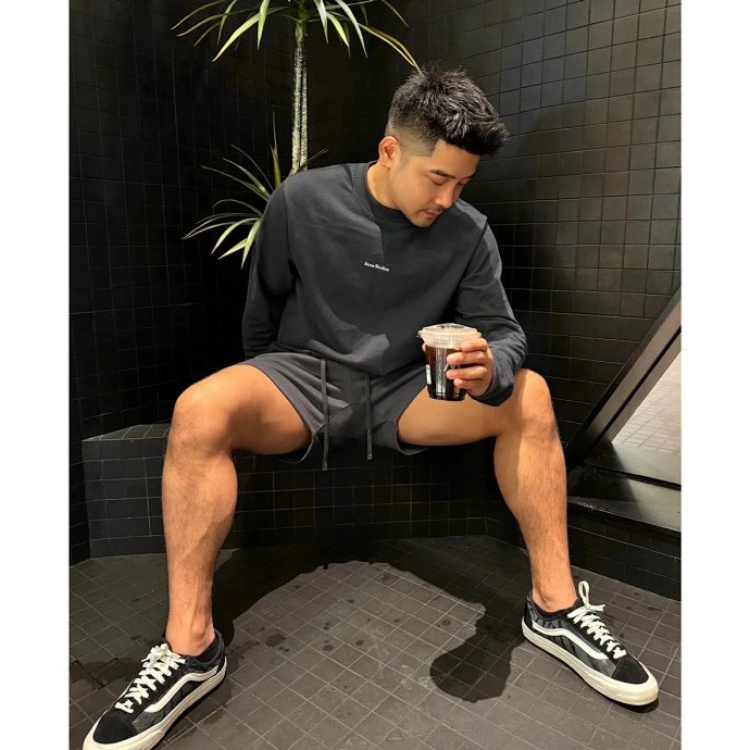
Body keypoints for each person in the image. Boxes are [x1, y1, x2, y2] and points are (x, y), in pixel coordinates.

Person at [83, 66, 658, 750]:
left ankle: (554, 607)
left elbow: (505, 334)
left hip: (403, 389)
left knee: (529, 393)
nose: (448, 198)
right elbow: (262, 308)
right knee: (199, 409)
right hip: (303, 377)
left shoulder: (468, 232)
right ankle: (191, 648)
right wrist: (270, 384)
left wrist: (492, 366)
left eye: (462, 184)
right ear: (390, 151)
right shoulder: (302, 200)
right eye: (437, 179)